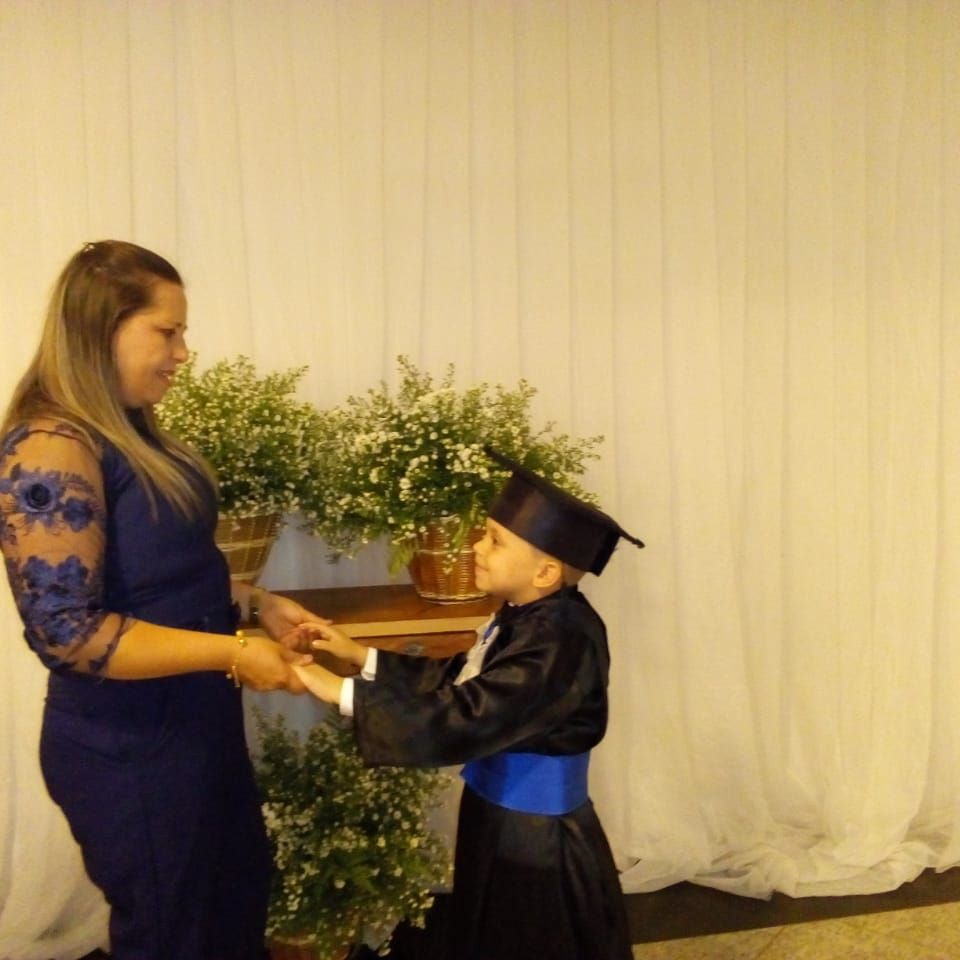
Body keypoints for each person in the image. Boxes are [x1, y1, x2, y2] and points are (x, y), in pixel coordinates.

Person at [0, 240, 318, 960]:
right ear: (100, 328)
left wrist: (254, 603)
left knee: (232, 907)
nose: (182, 353)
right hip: (130, 749)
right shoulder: (50, 446)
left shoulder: (127, 428)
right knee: (173, 936)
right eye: (167, 332)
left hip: (192, 725)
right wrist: (233, 652)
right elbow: (69, 633)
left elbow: (155, 572)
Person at [292, 449, 644, 960]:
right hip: (503, 822)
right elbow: (458, 678)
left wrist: (337, 691)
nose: (476, 547)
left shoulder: (560, 639)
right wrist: (360, 657)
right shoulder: (528, 617)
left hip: (537, 842)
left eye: (494, 541)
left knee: (529, 940)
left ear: (545, 572)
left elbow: (470, 712)